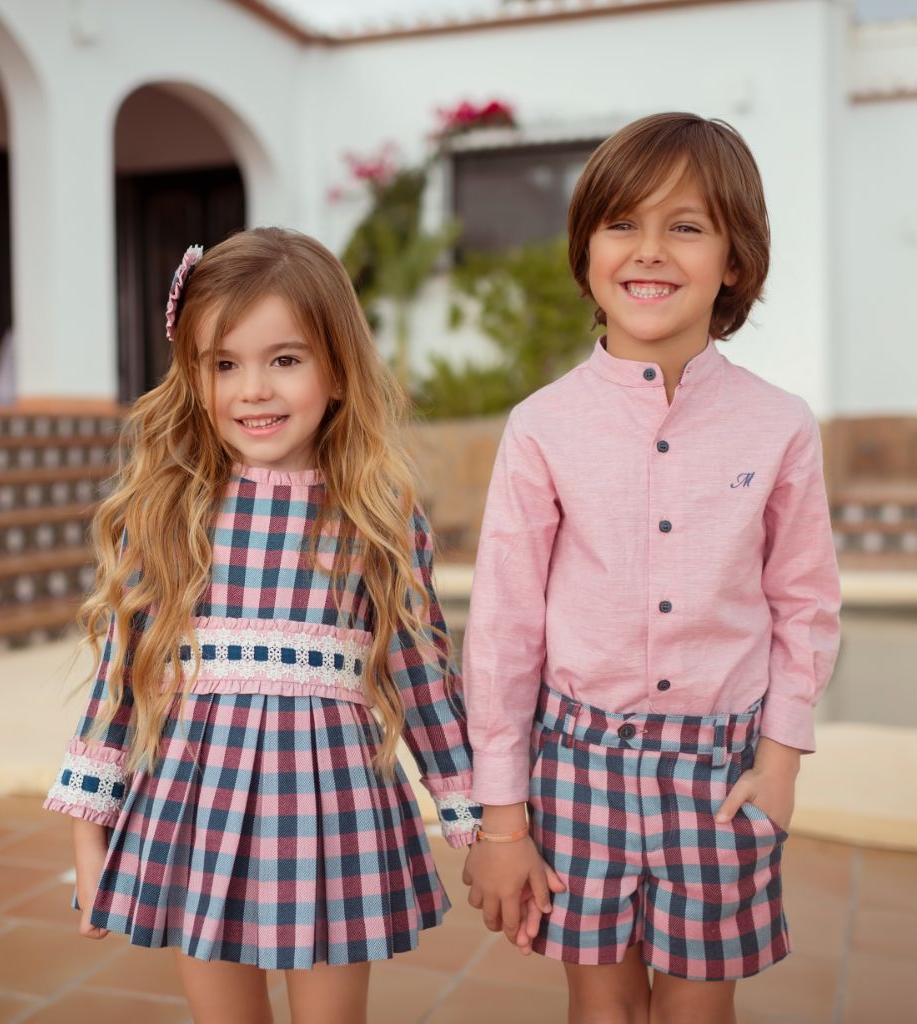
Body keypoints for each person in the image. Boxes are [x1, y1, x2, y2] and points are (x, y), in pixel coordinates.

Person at [44, 228, 481, 1024]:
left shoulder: (379, 518)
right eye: (224, 363)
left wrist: (475, 819)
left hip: (333, 809)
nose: (253, 390)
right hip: (197, 800)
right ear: (195, 375)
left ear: (338, 370)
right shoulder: (170, 511)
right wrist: (89, 823)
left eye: (285, 359)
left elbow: (421, 674)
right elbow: (121, 669)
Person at [461, 113, 841, 1024]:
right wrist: (502, 818)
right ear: (587, 249)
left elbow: (806, 601)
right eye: (623, 223)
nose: (651, 250)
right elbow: (504, 630)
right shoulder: (542, 427)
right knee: (602, 1010)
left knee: (701, 1014)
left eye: (687, 225)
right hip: (579, 767)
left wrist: (782, 757)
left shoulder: (780, 425)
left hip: (723, 773)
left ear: (734, 259)